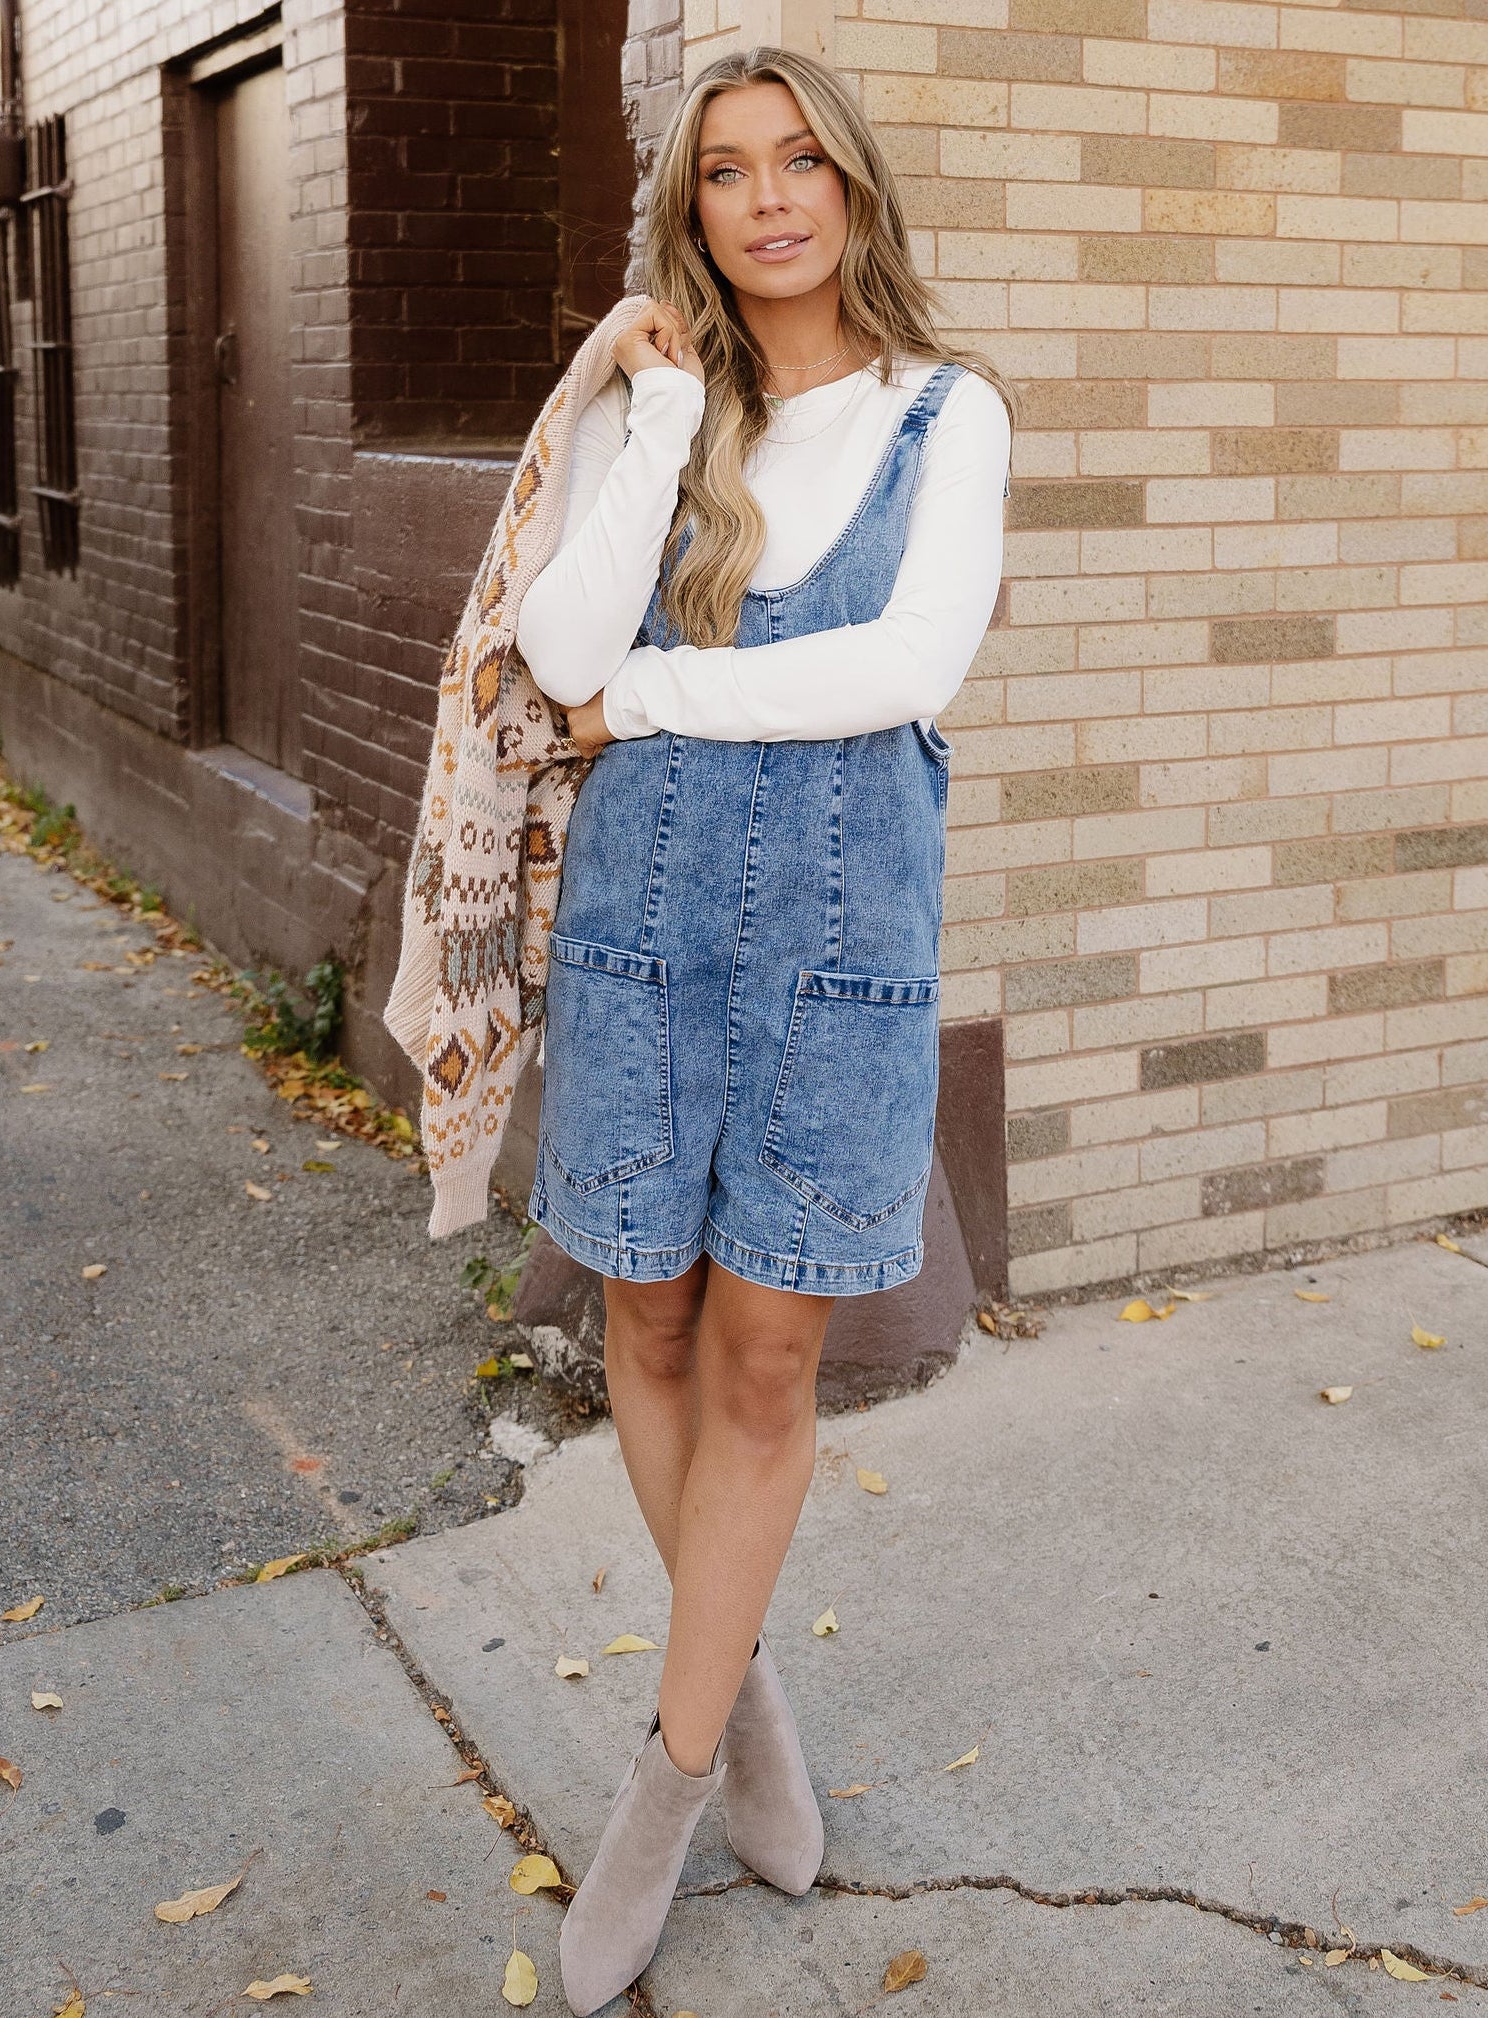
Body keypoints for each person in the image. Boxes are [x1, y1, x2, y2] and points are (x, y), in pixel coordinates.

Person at [511, 42, 1014, 2016]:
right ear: (693, 211)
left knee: (765, 1356)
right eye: (727, 171)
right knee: (642, 1327)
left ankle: (661, 1789)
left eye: (802, 160)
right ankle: (739, 1701)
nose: (771, 197)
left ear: (854, 186)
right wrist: (654, 413)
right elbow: (558, 647)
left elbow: (903, 666)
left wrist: (648, 699)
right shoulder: (661, 407)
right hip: (639, 944)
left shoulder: (946, 413)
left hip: (835, 962)